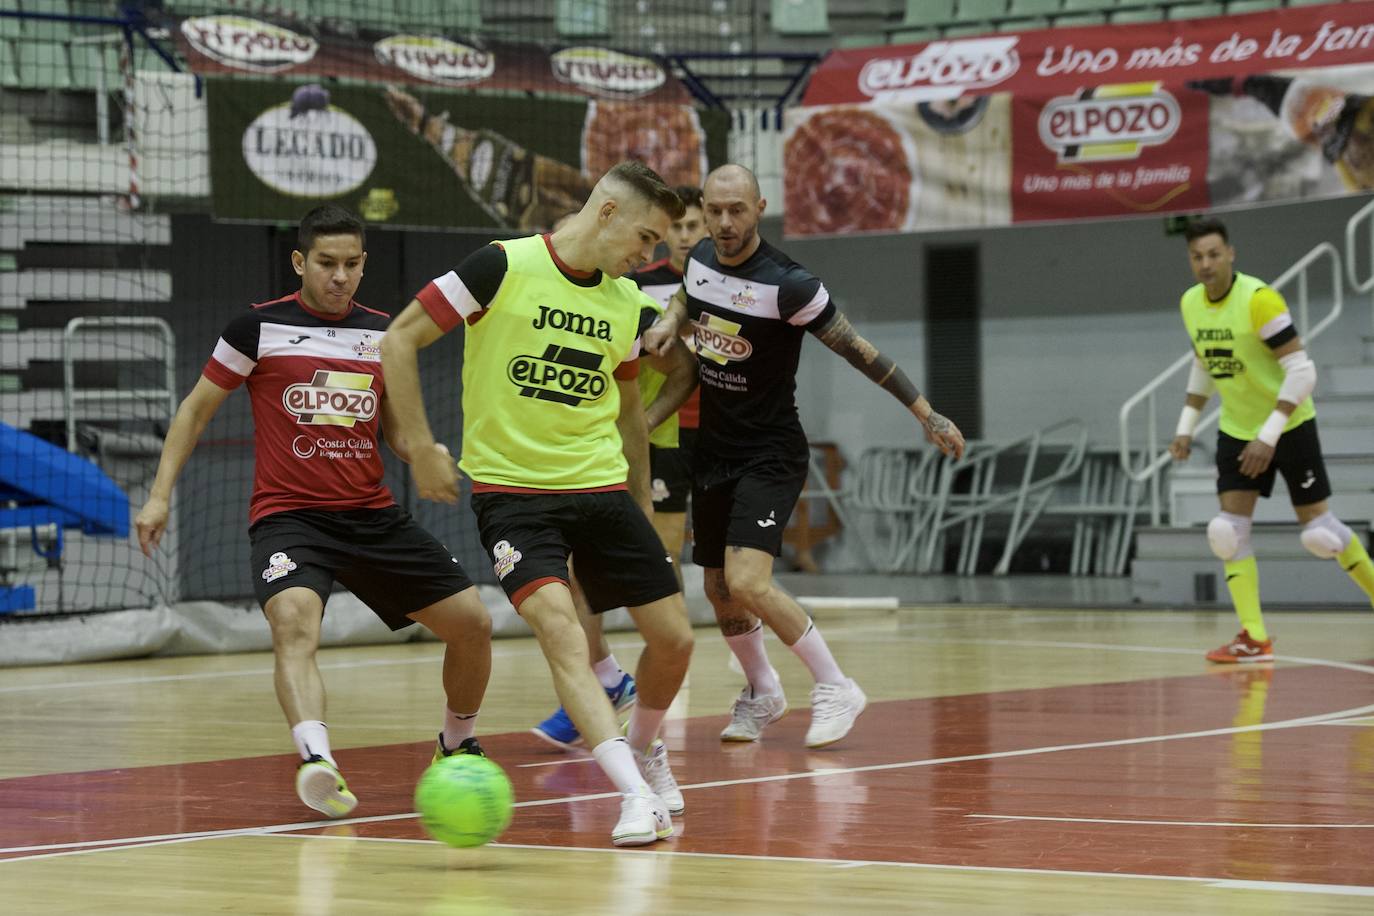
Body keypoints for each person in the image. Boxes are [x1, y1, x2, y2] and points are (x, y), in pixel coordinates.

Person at [134, 206, 493, 819]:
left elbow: (399, 433)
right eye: (327, 264)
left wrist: (426, 453)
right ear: (301, 262)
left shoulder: (387, 334)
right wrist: (160, 493)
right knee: (295, 623)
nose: (340, 276)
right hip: (290, 518)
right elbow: (194, 411)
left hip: (371, 516)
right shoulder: (256, 329)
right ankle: (316, 759)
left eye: (352, 264)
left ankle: (455, 745)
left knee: (474, 625)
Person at [380, 161, 697, 847]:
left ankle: (643, 746)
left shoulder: (623, 302)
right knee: (559, 631)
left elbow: (630, 413)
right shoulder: (499, 266)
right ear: (607, 212)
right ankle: (635, 795)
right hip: (515, 497)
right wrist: (421, 444)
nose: (649, 256)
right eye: (645, 238)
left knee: (674, 640)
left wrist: (640, 500)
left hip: (601, 489)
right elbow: (399, 337)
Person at [644, 164, 965, 748]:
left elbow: (859, 352)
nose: (722, 223)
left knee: (748, 581)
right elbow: (689, 300)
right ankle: (763, 690)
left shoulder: (790, 284)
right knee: (717, 587)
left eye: (735, 210)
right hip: (712, 450)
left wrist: (926, 412)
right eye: (714, 211)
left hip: (770, 453)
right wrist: (669, 322)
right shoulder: (699, 261)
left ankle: (837, 685)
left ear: (760, 207)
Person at [531, 185, 706, 751]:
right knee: (570, 582)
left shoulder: (629, 299)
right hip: (575, 463)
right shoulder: (542, 296)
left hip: (644, 456)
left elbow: (682, 371)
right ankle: (605, 680)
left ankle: (649, 690)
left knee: (667, 574)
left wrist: (644, 424)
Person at [1168, 217, 1374, 663]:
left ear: (1231, 254)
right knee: (1226, 532)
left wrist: (1268, 436)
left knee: (1321, 534)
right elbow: (1205, 363)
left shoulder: (1259, 300)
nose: (1206, 264)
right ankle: (1253, 636)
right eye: (1197, 256)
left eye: (1214, 254)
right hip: (1236, 428)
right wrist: (1186, 425)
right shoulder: (1190, 303)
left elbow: (1303, 371)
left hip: (1288, 424)